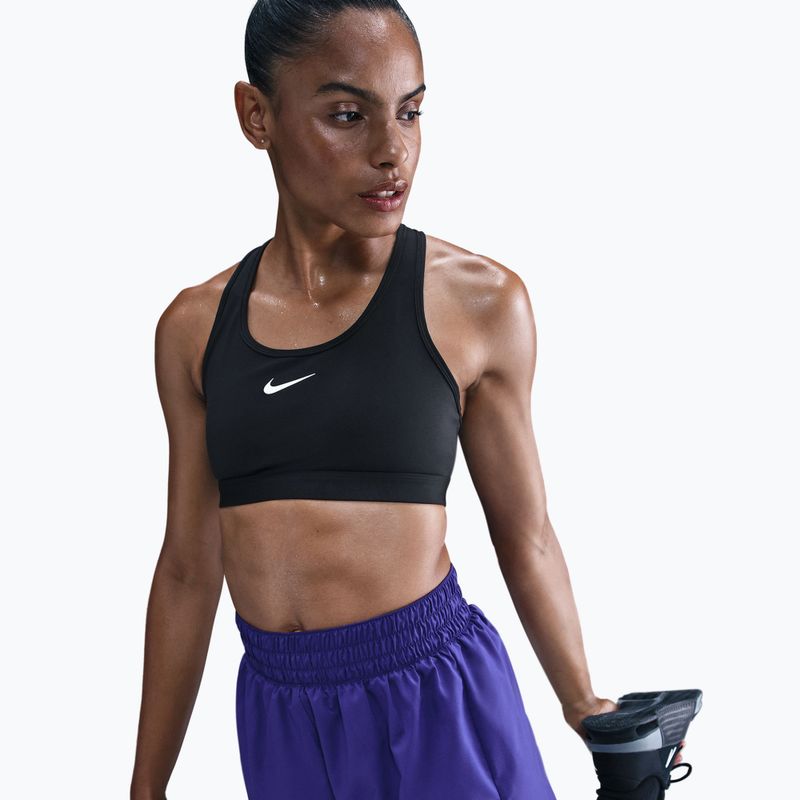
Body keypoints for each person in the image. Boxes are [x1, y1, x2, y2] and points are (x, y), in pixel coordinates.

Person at [130, 2, 685, 798]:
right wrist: (146, 787)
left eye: (411, 112)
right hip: (279, 713)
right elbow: (188, 569)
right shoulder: (195, 328)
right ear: (257, 116)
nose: (393, 151)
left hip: (434, 699)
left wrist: (583, 702)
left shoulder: (478, 303)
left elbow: (525, 532)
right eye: (348, 115)